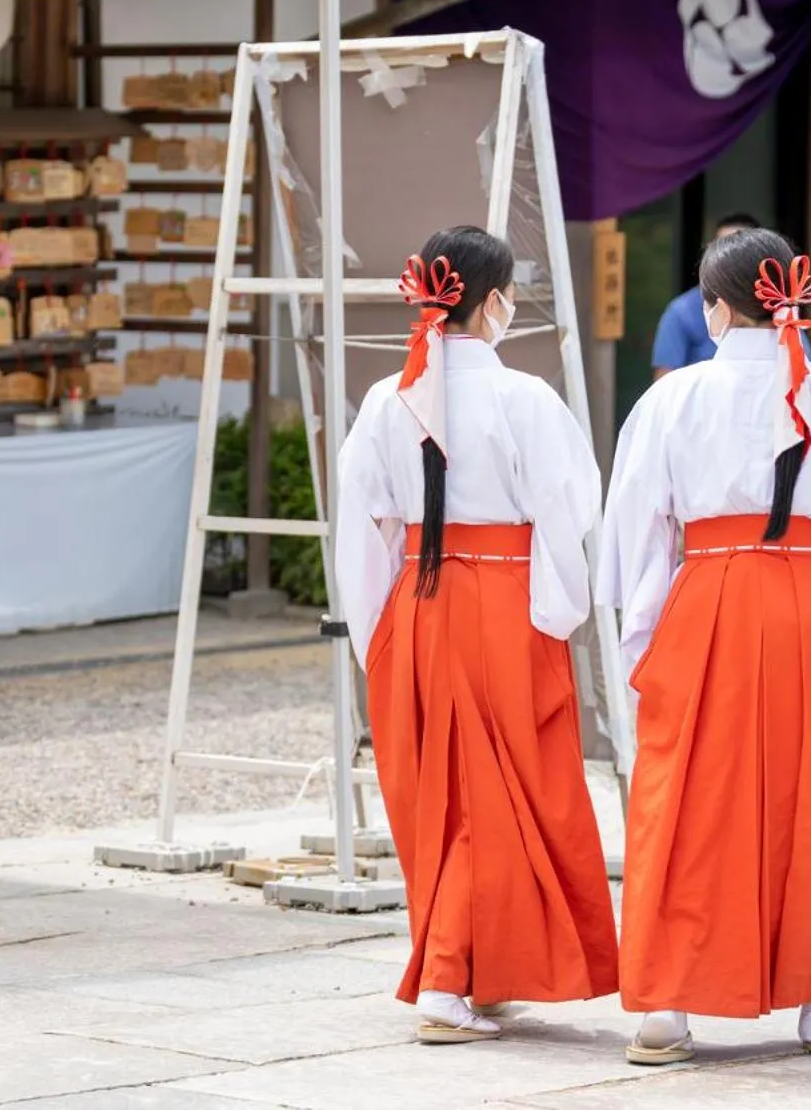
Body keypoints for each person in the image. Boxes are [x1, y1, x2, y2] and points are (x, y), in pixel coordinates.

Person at [599, 226, 811, 1064]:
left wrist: (640, 636)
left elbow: (637, 533)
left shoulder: (671, 401)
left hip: (708, 597)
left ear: (714, 309)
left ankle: (667, 1006)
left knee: (683, 798)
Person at [337, 225, 618, 1044]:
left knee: (444, 793)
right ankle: (447, 978)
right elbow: (571, 507)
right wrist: (558, 609)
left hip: (419, 603)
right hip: (504, 600)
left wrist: (377, 633)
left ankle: (474, 969)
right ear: (494, 302)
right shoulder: (525, 398)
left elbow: (363, 527)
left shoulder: (385, 399)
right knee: (505, 795)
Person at [650, 214, 761, 380]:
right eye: (722, 249)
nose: (730, 260)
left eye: (740, 253)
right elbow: (664, 381)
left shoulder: (778, 308)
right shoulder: (682, 311)